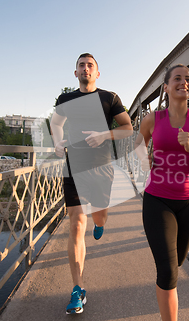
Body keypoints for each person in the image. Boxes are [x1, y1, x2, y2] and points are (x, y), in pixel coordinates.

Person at [135, 64, 189, 320]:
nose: (184, 82)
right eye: (178, 78)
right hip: (157, 199)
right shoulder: (153, 119)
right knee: (169, 273)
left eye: (188, 79)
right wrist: (143, 161)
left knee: (178, 261)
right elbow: (139, 143)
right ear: (166, 87)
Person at [50, 53, 133, 315]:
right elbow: (56, 123)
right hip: (73, 165)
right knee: (76, 222)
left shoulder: (110, 98)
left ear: (97, 73)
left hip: (101, 166)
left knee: (99, 216)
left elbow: (128, 128)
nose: (85, 69)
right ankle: (78, 289)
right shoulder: (66, 99)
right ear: (75, 73)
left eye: (90, 66)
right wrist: (57, 142)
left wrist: (105, 134)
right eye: (81, 66)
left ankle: (100, 224)